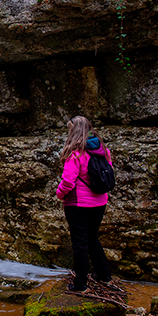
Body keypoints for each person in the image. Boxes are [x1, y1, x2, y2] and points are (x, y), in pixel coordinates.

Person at [55, 116, 113, 291]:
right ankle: (105, 276)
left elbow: (68, 181)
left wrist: (59, 194)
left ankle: (80, 284)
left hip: (78, 204)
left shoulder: (75, 154)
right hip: (100, 201)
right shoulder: (104, 151)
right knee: (92, 238)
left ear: (74, 131)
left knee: (80, 243)